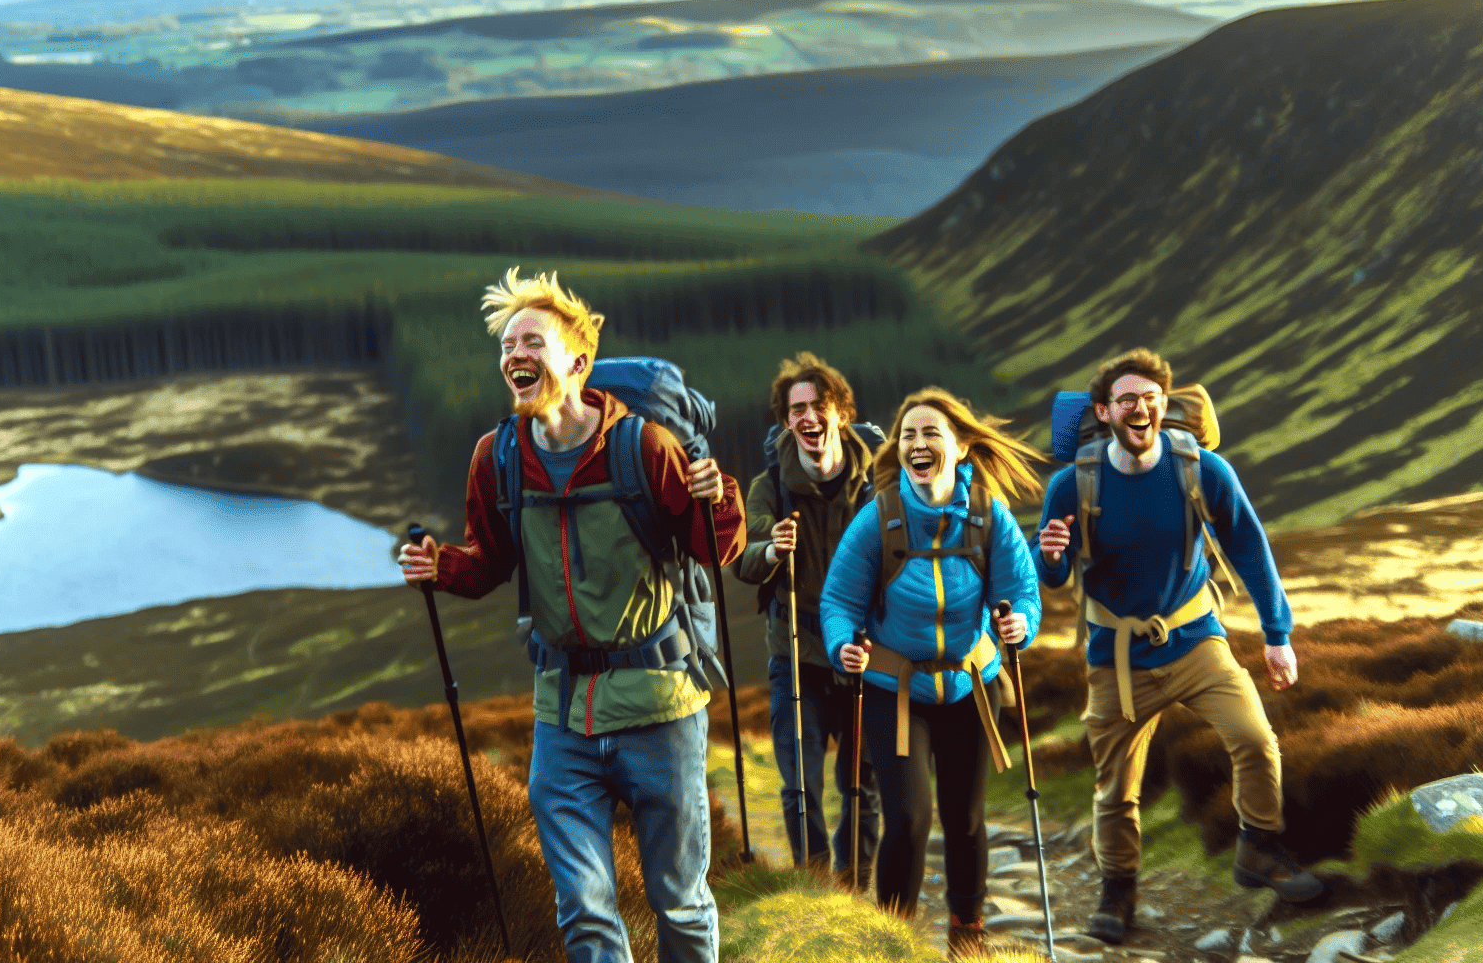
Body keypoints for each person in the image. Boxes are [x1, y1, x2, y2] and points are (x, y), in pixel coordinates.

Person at [397, 267, 746, 963]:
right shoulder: (495, 459)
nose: (514, 356)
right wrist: (441, 567)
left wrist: (721, 493)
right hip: (563, 721)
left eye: (532, 341)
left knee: (679, 902)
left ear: (577, 362)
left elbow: (712, 547)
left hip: (661, 711)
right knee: (584, 913)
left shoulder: (644, 447)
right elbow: (490, 562)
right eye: (506, 346)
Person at [1034, 347, 1323, 948]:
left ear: (1164, 406)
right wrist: (1052, 553)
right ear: (1103, 410)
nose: (1139, 409)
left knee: (1254, 738)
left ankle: (1259, 847)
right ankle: (1118, 889)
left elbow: (1249, 544)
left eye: (1150, 399)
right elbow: (1053, 578)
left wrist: (1278, 636)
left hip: (1196, 641)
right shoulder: (1072, 483)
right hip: (1115, 655)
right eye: (1126, 400)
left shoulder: (1202, 469)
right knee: (1116, 788)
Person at [818, 387, 1045, 962]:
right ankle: (892, 940)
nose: (918, 445)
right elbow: (839, 600)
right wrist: (844, 643)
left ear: (962, 447)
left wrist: (1020, 623)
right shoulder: (880, 520)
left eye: (931, 434)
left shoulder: (989, 517)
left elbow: (1020, 591)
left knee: (966, 819)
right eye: (909, 436)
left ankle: (967, 932)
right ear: (900, 450)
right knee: (909, 818)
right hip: (897, 691)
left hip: (971, 685)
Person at [732, 352, 881, 889]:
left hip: (867, 653)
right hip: (796, 655)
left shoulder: (878, 483)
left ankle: (854, 887)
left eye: (820, 405)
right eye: (797, 409)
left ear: (841, 411)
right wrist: (772, 550)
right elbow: (742, 561)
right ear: (785, 420)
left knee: (862, 784)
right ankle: (816, 886)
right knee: (800, 784)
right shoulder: (769, 487)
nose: (809, 417)